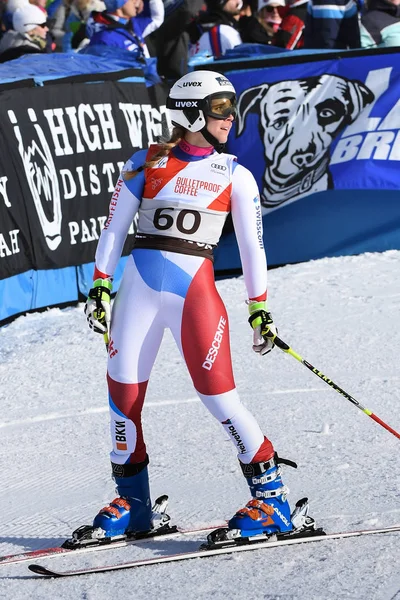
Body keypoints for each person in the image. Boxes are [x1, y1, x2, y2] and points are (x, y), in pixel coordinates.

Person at [82, 69, 302, 542]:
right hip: (138, 291)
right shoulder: (144, 163)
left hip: (195, 296)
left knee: (219, 399)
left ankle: (273, 500)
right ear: (191, 112)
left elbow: (253, 249)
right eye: (221, 107)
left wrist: (258, 307)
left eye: (231, 106)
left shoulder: (235, 175)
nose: (230, 118)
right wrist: (100, 284)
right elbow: (114, 229)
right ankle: (135, 505)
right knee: (123, 400)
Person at [85, 0, 163, 57]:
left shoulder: (132, 23)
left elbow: (156, 18)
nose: (136, 2)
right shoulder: (104, 38)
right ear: (119, 5)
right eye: (132, 0)